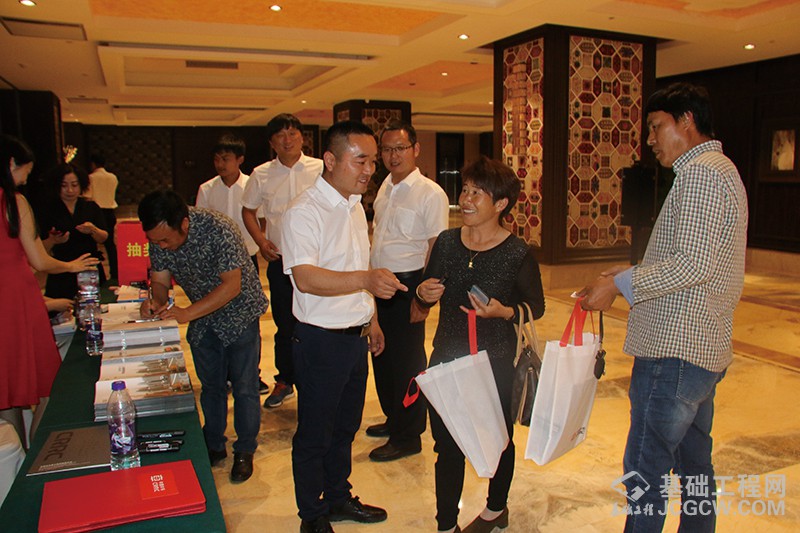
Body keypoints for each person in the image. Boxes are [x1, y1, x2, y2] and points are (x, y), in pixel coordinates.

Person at [579, 82, 748, 533]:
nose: (651, 140)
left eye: (656, 127)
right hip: (700, 348)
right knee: (694, 466)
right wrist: (629, 270)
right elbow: (693, 258)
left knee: (645, 470)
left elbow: (693, 263)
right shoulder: (720, 169)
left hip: (675, 351)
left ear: (686, 121)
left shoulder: (701, 174)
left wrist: (620, 284)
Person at [281, 121, 407, 533]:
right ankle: (311, 515)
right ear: (331, 160)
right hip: (320, 341)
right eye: (360, 161)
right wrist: (366, 281)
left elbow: (358, 265)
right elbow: (305, 278)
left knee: (345, 427)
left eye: (372, 162)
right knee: (315, 434)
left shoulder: (353, 205)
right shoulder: (304, 211)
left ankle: (337, 497)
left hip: (354, 338)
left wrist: (372, 319)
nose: (370, 170)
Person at [416, 156, 545, 533]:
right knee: (447, 444)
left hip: (496, 363)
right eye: (465, 190)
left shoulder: (517, 252)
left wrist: (504, 311)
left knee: (497, 438)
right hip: (446, 359)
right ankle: (446, 525)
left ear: (501, 203)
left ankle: (495, 509)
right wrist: (423, 293)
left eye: (477, 193)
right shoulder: (446, 242)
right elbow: (425, 291)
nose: (466, 199)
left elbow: (535, 306)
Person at [138, 190, 268, 483]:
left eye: (165, 240)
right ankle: (213, 443)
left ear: (183, 223)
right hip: (202, 316)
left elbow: (232, 286)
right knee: (211, 386)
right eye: (155, 242)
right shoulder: (159, 237)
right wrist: (156, 301)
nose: (161, 246)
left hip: (240, 313)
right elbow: (160, 281)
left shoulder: (219, 228)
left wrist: (187, 313)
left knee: (245, 386)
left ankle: (245, 449)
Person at [0, 134, 98, 445]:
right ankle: (36, 450)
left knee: (7, 386)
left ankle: (15, 453)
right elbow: (39, 260)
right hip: (17, 298)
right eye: (25, 171)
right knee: (47, 382)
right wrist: (71, 266)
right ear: (11, 163)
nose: (25, 178)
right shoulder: (14, 201)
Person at [367, 120, 449, 462]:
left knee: (407, 362)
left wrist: (422, 299)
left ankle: (409, 435)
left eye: (400, 148)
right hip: (379, 284)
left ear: (415, 149)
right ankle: (394, 419)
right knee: (382, 357)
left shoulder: (431, 193)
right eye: (387, 149)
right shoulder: (384, 187)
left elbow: (437, 248)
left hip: (408, 285)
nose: (393, 155)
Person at [242, 113, 324, 409]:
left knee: (316, 320)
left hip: (316, 260)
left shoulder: (321, 168)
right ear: (272, 143)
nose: (287, 140)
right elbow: (248, 210)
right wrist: (261, 241)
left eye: (292, 133)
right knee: (285, 322)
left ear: (302, 137)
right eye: (280, 135)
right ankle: (285, 380)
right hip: (281, 260)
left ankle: (314, 378)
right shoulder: (261, 174)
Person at [196, 133, 270, 394]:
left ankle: (251, 374)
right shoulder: (207, 189)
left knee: (249, 317)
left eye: (225, 159)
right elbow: (200, 226)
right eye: (216, 159)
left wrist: (261, 241)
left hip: (246, 260)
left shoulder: (252, 184)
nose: (220, 164)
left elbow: (262, 219)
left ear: (239, 159)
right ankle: (225, 373)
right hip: (216, 264)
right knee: (219, 315)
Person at [37, 163, 108, 299]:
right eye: (64, 186)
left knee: (91, 304)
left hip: (89, 266)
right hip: (61, 268)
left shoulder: (90, 206)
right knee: (62, 306)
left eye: (74, 185)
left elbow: (103, 237)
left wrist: (93, 230)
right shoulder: (48, 209)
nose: (70, 190)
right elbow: (39, 248)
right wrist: (53, 240)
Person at [87, 154, 119, 280]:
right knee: (110, 245)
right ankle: (115, 273)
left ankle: (96, 274)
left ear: (93, 164)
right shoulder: (112, 177)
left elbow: (88, 196)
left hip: (96, 212)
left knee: (92, 244)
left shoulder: (91, 177)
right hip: (110, 212)